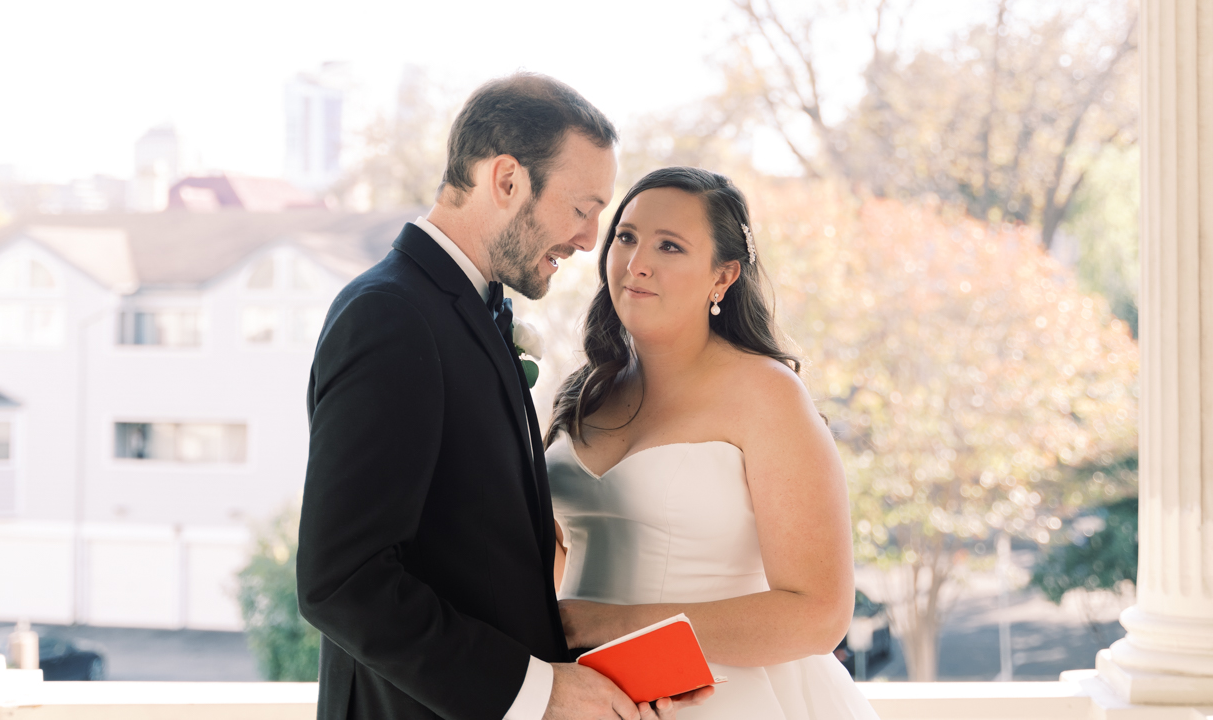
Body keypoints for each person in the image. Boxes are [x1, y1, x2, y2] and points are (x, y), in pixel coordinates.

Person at [297, 75, 709, 720]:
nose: (589, 240)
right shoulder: (390, 316)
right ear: (508, 180)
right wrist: (539, 695)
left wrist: (591, 678)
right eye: (581, 208)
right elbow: (343, 583)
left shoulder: (468, 312)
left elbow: (480, 562)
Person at [547, 166, 881, 720]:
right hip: (591, 699)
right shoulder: (583, 393)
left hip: (727, 697)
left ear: (722, 277)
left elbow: (820, 613)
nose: (637, 262)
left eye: (670, 246)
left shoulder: (767, 394)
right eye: (626, 237)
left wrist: (605, 624)